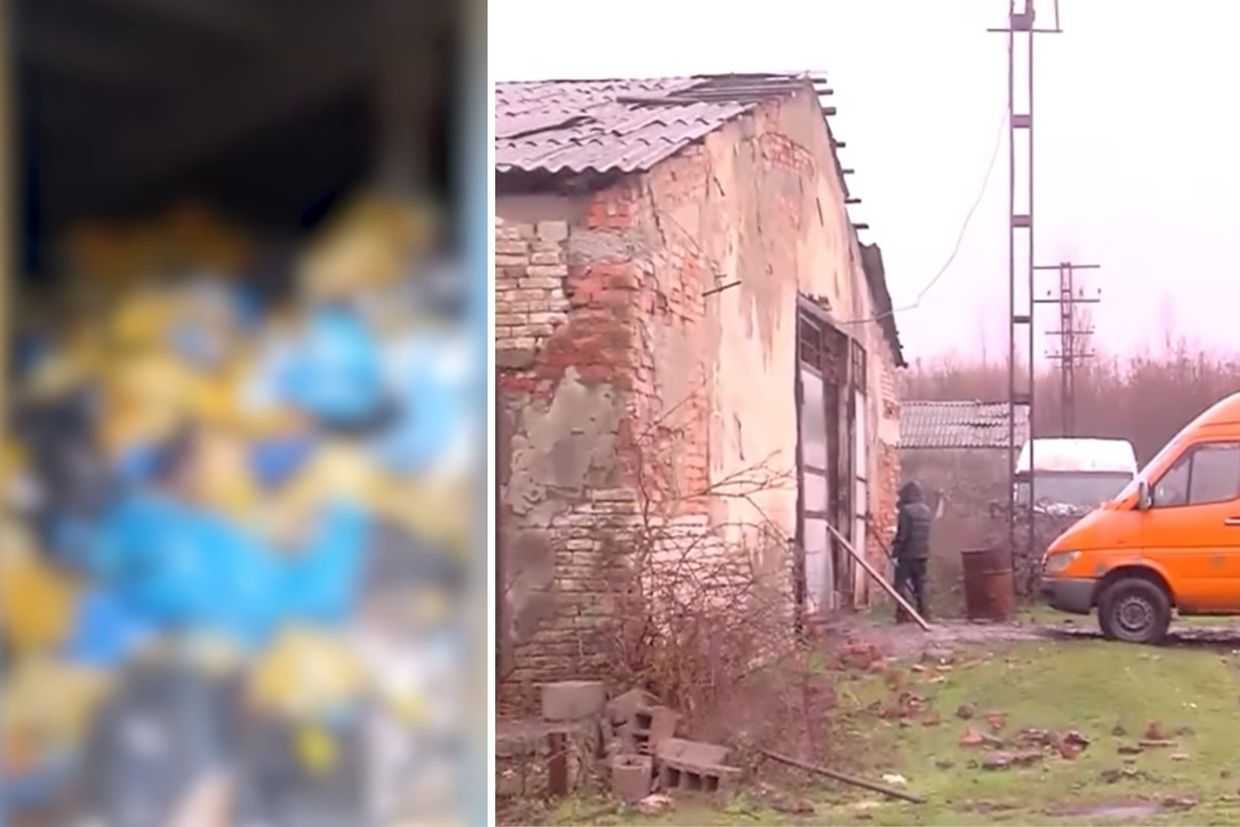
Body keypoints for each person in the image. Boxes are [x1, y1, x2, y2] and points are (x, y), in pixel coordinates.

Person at [891, 480, 933, 622]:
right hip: (923, 554)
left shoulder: (906, 511)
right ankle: (924, 614)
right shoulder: (927, 511)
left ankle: (904, 614)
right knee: (920, 585)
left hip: (907, 555)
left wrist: (895, 553)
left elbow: (903, 535)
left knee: (899, 584)